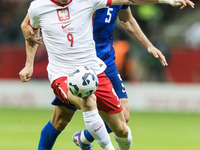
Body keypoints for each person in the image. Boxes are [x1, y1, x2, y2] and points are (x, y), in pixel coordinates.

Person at [19, 0, 194, 150]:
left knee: (122, 123)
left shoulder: (95, 2)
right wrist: (29, 64)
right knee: (74, 109)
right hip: (66, 72)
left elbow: (128, 13)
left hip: (100, 64)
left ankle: (85, 138)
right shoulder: (41, 6)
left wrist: (166, 3)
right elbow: (29, 26)